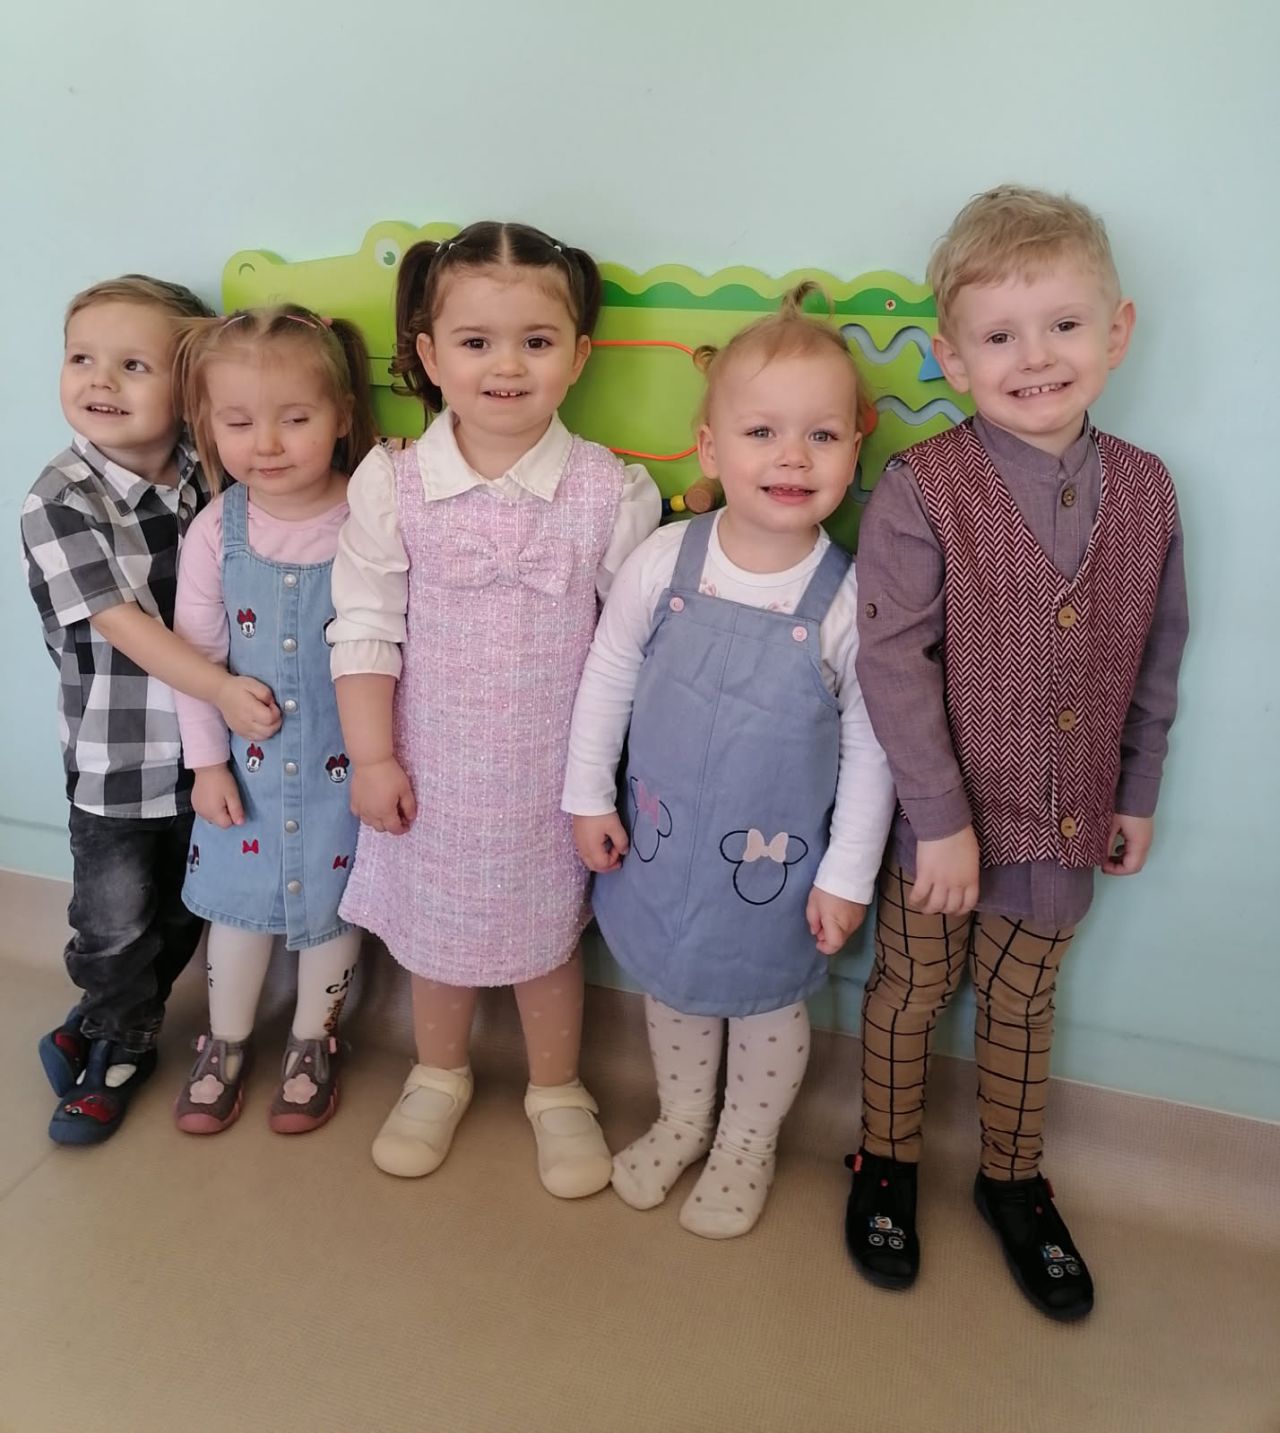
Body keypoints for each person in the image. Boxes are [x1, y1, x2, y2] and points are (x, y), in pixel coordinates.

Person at [848, 185, 1189, 1319]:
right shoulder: (922, 488)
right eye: (998, 336)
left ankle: (1011, 1179)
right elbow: (892, 665)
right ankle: (884, 1159)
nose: (1034, 357)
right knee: (909, 991)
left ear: (1115, 332)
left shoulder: (1147, 489)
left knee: (1022, 1005)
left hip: (1068, 822)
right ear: (952, 358)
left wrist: (1135, 790)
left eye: (1063, 325)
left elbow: (1157, 651)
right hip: (940, 827)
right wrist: (939, 819)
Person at [329, 221, 661, 1195]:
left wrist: (606, 782)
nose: (506, 365)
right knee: (436, 929)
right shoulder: (392, 481)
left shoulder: (610, 490)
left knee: (545, 935)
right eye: (476, 341)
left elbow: (634, 647)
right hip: (429, 767)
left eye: (535, 340)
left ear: (578, 356)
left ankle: (556, 1088)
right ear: (431, 356)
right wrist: (372, 757)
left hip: (552, 775)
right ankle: (437, 1071)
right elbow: (364, 625)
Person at [565, 285, 896, 1238]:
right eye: (761, 432)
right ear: (710, 447)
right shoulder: (664, 560)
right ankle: (681, 1119)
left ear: (855, 448)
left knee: (763, 1003)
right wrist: (587, 795)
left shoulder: (847, 599)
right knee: (670, 985)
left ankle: (747, 1141)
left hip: (774, 867)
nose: (791, 457)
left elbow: (874, 746)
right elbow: (607, 674)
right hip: (662, 844)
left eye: (821, 436)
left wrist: (846, 876)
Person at [20, 274, 272, 1145]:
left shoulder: (208, 468)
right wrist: (221, 688)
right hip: (118, 755)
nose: (100, 380)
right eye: (82, 359)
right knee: (114, 920)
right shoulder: (60, 499)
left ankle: (100, 1019)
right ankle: (119, 1046)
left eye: (133, 365)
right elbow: (127, 626)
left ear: (189, 388)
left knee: (184, 906)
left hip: (206, 754)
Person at [168, 304, 378, 1135]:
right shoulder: (215, 532)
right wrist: (206, 764)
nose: (268, 444)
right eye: (239, 422)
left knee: (335, 908)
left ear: (341, 416)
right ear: (207, 425)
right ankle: (223, 1041)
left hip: (346, 765)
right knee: (235, 910)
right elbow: (194, 656)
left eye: (295, 418)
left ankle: (312, 1042)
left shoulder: (372, 518)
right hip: (245, 778)